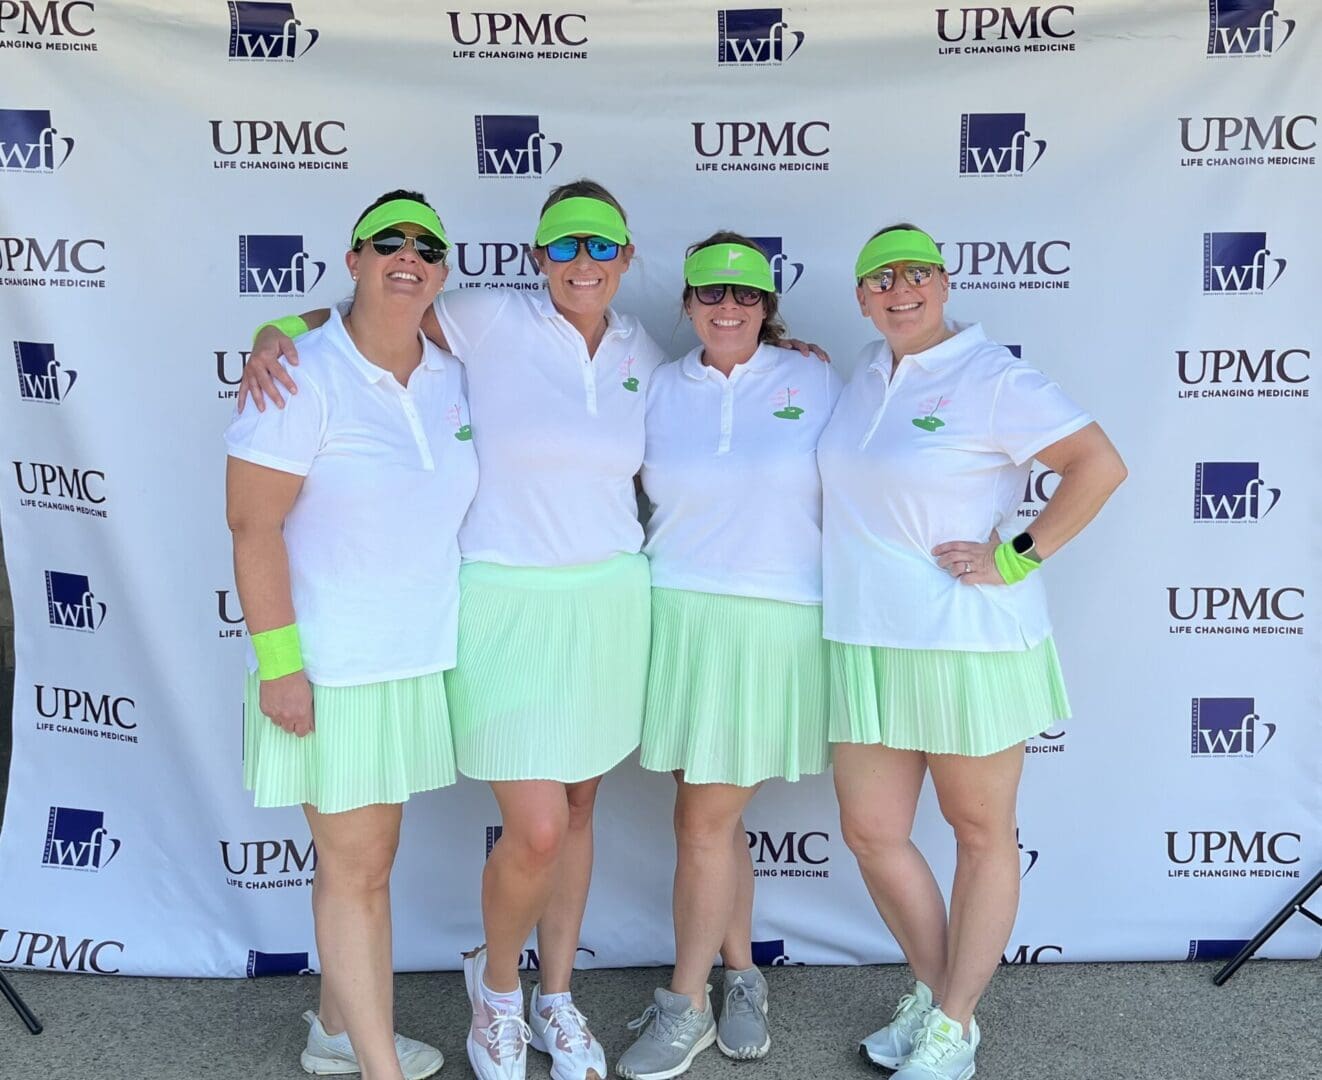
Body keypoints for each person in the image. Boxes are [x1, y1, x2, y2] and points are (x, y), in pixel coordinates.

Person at [242, 181, 664, 1080]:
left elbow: (715, 395)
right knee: (529, 830)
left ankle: (548, 998)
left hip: (593, 608)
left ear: (627, 256)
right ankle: (495, 994)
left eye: (600, 245)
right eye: (562, 246)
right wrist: (272, 327)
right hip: (486, 613)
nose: (581, 262)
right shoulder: (478, 321)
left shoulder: (641, 349)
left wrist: (787, 346)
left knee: (571, 811)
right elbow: (364, 315)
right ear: (535, 257)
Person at [816, 224, 1126, 1080]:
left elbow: (1098, 464)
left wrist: (1014, 555)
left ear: (944, 284)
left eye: (915, 274)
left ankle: (955, 1023)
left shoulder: (991, 376)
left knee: (980, 831)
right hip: (866, 637)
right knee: (872, 832)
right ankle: (932, 988)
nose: (899, 289)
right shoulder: (863, 375)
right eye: (881, 279)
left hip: (964, 640)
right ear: (861, 297)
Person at [226, 190, 477, 1080]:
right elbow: (252, 527)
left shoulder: (452, 367)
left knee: (364, 862)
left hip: (412, 661)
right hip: (327, 669)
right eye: (387, 242)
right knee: (358, 871)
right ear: (355, 258)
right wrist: (280, 666)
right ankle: (378, 1066)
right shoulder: (300, 373)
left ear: (442, 273)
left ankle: (336, 1030)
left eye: (426, 246)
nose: (407, 255)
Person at [614, 235, 841, 1080]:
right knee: (714, 820)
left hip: (772, 623)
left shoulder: (816, 379)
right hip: (674, 616)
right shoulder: (656, 387)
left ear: (768, 307)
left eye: (746, 296)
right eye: (711, 293)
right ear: (687, 303)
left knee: (702, 822)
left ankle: (687, 1005)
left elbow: (879, 475)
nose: (728, 308)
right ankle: (742, 975)